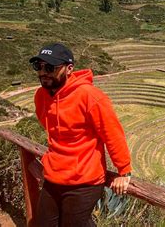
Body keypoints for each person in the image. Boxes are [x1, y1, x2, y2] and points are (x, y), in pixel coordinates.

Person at [29, 43, 132, 227]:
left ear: (69, 69)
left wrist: (123, 171)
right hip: (54, 176)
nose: (43, 72)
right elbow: (50, 127)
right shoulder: (41, 96)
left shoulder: (90, 96)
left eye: (50, 67)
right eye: (39, 67)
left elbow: (113, 134)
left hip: (84, 181)